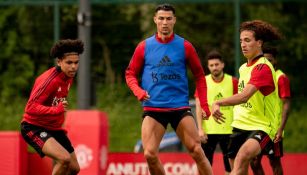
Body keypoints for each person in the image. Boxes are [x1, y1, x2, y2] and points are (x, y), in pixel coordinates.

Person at [125, 4, 213, 175]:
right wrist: (139, 92)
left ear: (174, 20)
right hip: (153, 108)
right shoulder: (144, 46)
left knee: (196, 150)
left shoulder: (185, 46)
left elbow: (200, 76)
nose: (165, 22)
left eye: (168, 19)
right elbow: (130, 74)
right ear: (155, 20)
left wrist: (205, 105)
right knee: (150, 154)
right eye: (161, 18)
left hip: (179, 107)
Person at [211, 20, 283, 175]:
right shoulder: (243, 67)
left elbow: (244, 97)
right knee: (238, 169)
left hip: (261, 127)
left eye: (248, 40)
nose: (243, 45)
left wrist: (218, 102)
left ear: (259, 43)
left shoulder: (262, 67)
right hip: (239, 126)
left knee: (243, 157)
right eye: (241, 41)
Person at [20, 39, 84, 175]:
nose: (74, 67)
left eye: (76, 62)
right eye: (69, 63)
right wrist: (56, 110)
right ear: (59, 62)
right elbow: (30, 107)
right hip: (33, 127)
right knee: (64, 159)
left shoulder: (68, 76)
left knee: (74, 168)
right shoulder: (49, 80)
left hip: (53, 128)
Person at [195, 50, 238, 175]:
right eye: (211, 65)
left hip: (229, 130)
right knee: (204, 167)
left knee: (231, 168)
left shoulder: (233, 81)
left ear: (222, 65)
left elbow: (239, 103)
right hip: (209, 131)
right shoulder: (203, 82)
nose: (214, 67)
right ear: (208, 67)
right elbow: (198, 106)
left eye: (217, 64)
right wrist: (200, 129)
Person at [250, 46, 291, 175]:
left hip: (273, 129)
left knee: (274, 162)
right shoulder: (258, 74)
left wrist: (280, 128)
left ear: (275, 61)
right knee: (254, 162)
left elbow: (286, 105)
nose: (268, 63)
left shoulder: (280, 78)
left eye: (270, 60)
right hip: (258, 126)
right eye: (265, 60)